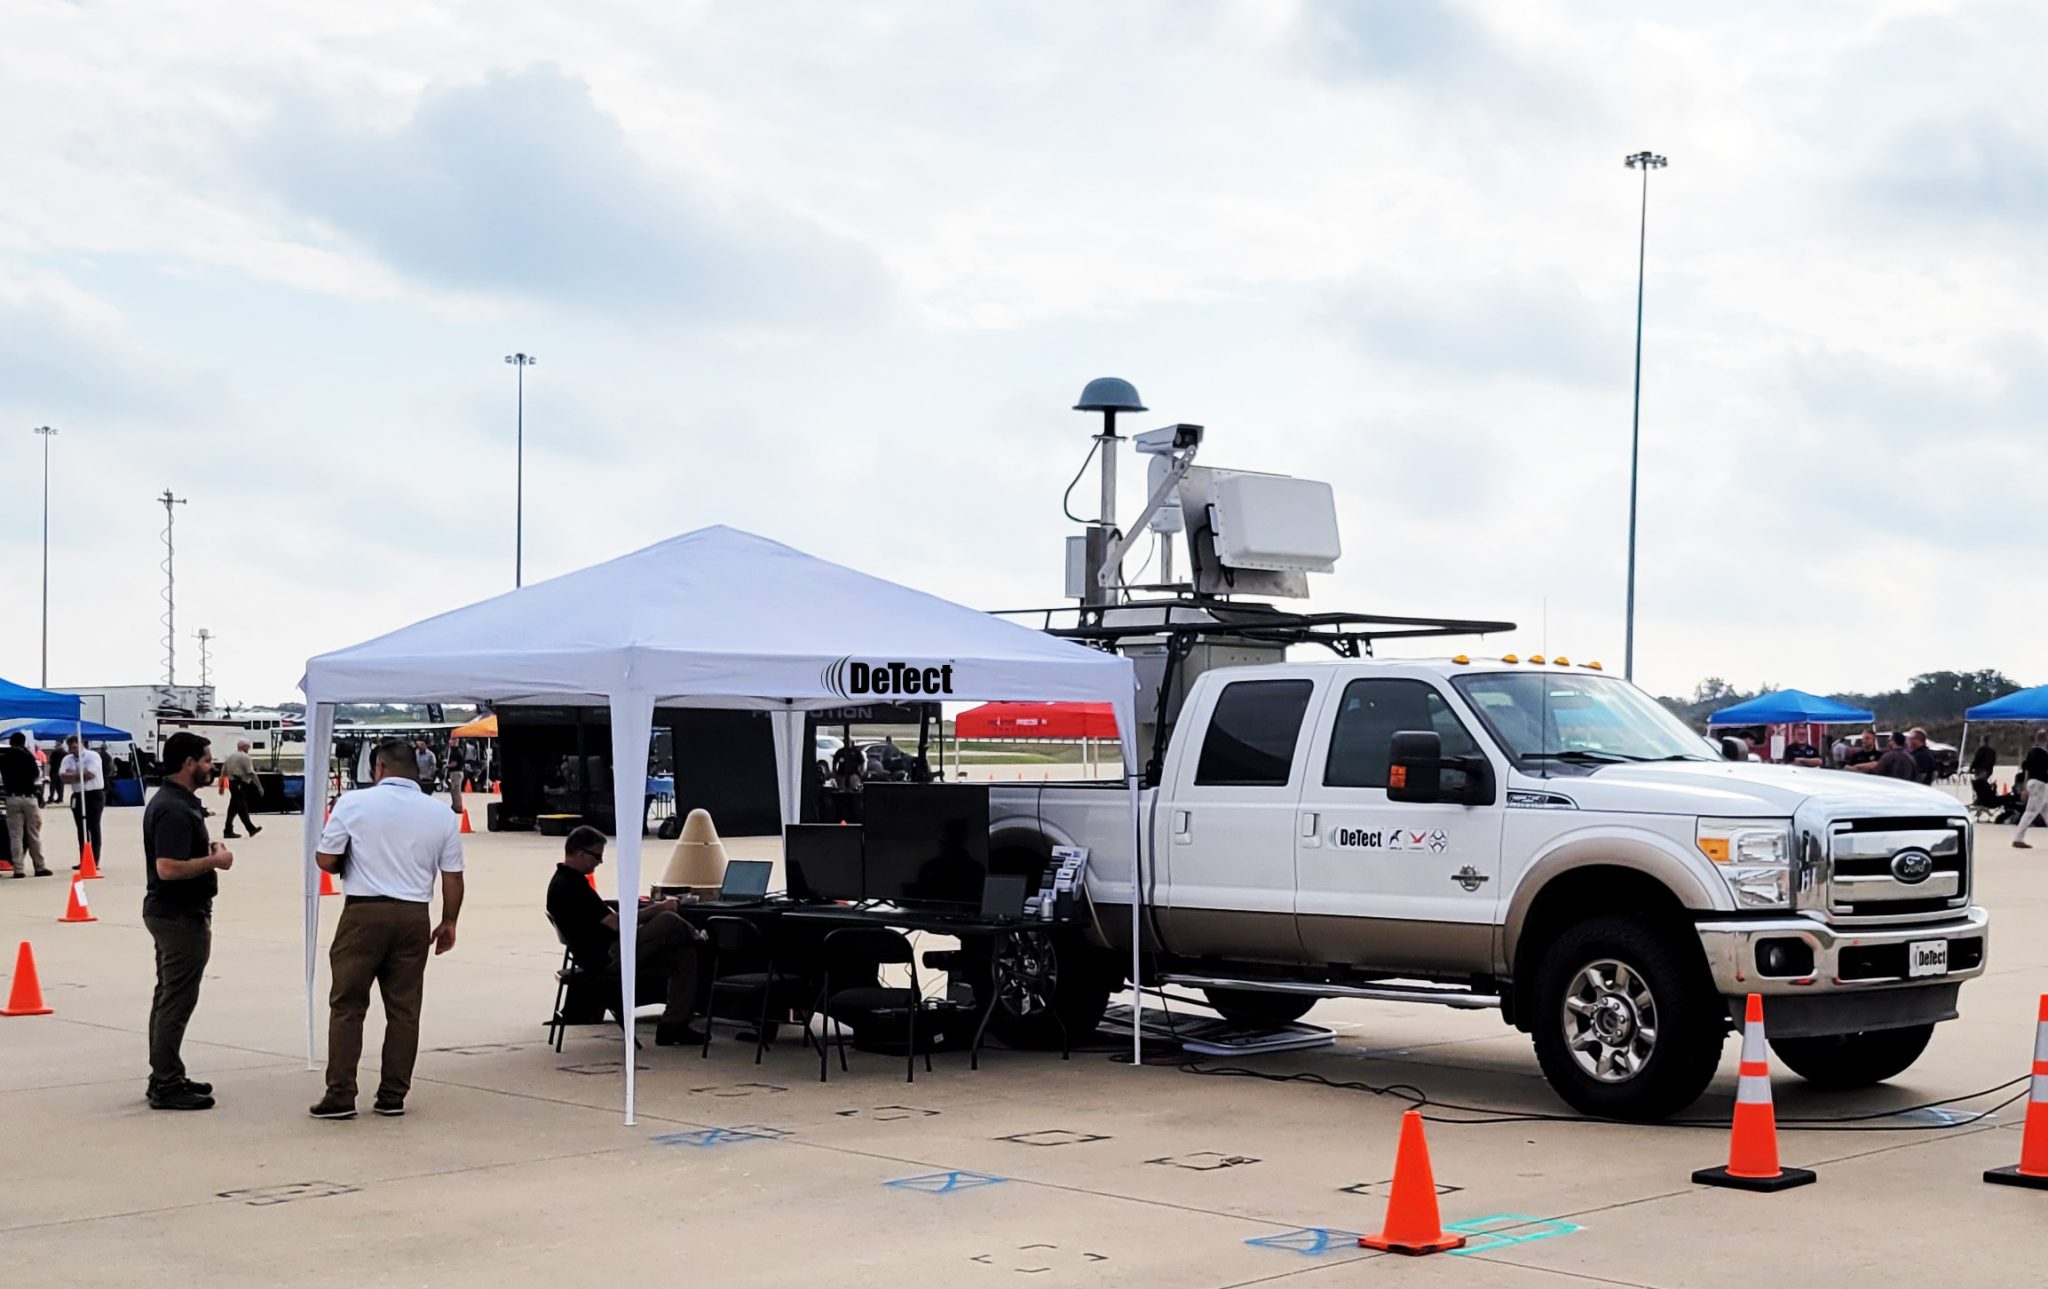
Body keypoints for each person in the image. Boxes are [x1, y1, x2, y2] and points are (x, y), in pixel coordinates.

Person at [310, 738, 464, 1119]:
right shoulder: (441, 814)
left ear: (378, 767)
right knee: (404, 1009)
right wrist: (449, 920)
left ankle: (341, 1094)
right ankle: (393, 1094)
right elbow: (453, 876)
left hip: (364, 913)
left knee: (348, 1005)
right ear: (417, 769)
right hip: (414, 916)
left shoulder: (353, 803)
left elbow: (327, 859)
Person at [545, 825, 709, 1046]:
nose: (599, 862)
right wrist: (659, 908)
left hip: (600, 953)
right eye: (596, 856)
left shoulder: (565, 882)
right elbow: (616, 923)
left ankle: (673, 1025)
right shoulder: (571, 886)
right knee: (668, 920)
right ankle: (700, 938)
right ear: (581, 853)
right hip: (608, 957)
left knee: (684, 956)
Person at [142, 732, 235, 1111]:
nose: (212, 766)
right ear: (188, 763)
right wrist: (216, 861)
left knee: (168, 995)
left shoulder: (176, 802)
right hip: (179, 916)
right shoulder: (175, 808)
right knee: (176, 1001)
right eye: (207, 760)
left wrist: (207, 848)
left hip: (172, 913)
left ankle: (166, 1073)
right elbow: (167, 868)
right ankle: (166, 1082)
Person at [0, 732, 49, 878]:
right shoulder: (28, 756)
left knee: (16, 835)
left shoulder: (5, 757)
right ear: (23, 742)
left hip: (12, 798)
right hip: (29, 797)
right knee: (33, 833)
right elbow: (36, 774)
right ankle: (39, 867)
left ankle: (18, 869)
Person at [59, 734, 105, 866]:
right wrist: (79, 775)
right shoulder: (68, 759)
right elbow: (62, 776)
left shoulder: (92, 756)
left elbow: (89, 774)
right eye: (71, 746)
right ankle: (84, 859)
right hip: (78, 794)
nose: (73, 748)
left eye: (75, 745)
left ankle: (94, 859)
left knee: (93, 826)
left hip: (93, 794)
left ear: (81, 743)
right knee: (81, 828)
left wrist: (72, 775)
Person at [220, 739, 263, 839]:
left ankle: (230, 829)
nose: (249, 748)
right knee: (240, 805)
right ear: (243, 746)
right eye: (248, 746)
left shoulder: (230, 756)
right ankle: (249, 828)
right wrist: (259, 786)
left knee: (235, 807)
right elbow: (251, 773)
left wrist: (221, 786)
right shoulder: (245, 757)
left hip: (232, 783)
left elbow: (223, 771)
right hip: (240, 783)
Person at [2013, 731, 2048, 848]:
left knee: (2046, 811)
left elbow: (2026, 770)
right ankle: (2018, 838)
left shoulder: (2031, 752)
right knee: (2031, 812)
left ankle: (2018, 838)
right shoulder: (2044, 754)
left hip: (2032, 783)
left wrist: (2025, 788)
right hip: (2040, 784)